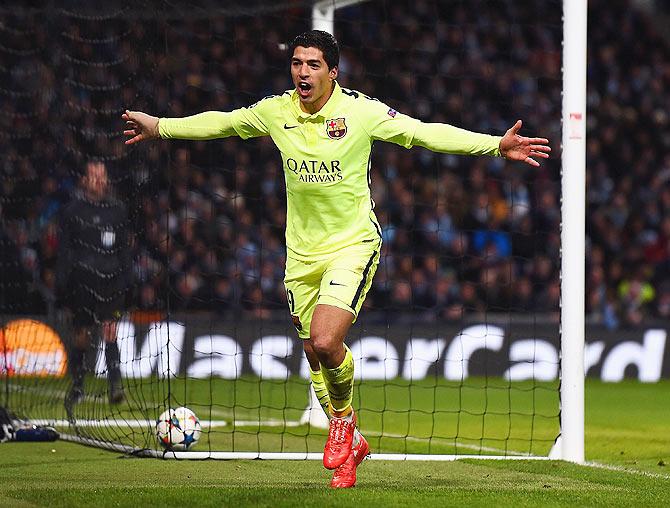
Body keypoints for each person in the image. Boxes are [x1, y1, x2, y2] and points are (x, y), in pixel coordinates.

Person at [123, 30, 550, 488]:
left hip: (353, 245)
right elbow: (223, 123)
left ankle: (343, 424)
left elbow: (422, 133)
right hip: (300, 255)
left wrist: (494, 145)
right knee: (312, 350)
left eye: (312, 65)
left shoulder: (359, 112)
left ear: (332, 72)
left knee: (326, 342)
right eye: (296, 63)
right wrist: (160, 126)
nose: (302, 72)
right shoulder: (276, 111)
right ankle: (354, 445)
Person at [57, 161, 132, 416]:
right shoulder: (73, 211)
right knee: (82, 335)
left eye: (102, 175)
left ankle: (115, 384)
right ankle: (78, 384)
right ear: (85, 179)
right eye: (93, 175)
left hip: (111, 282)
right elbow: (65, 251)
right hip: (82, 283)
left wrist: (126, 281)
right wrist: (62, 285)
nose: (98, 180)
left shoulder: (118, 210)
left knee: (110, 331)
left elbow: (125, 250)